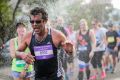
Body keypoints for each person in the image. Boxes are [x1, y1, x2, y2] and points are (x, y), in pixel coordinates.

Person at [15, 7, 74, 80]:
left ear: (45, 21)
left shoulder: (57, 35)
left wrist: (70, 51)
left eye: (38, 21)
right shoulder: (28, 36)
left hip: (56, 76)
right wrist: (22, 54)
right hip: (38, 76)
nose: (34, 24)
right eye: (32, 21)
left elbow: (70, 54)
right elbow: (16, 53)